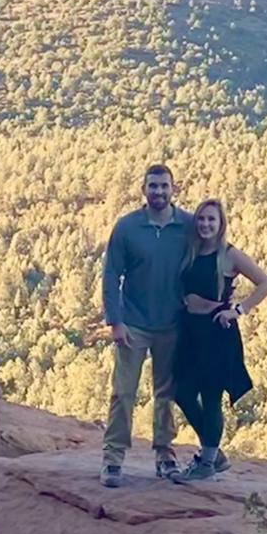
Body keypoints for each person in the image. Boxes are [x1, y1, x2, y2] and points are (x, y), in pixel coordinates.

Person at [100, 164, 194, 487]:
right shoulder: (127, 228)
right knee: (123, 392)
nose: (159, 191)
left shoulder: (189, 225)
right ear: (143, 189)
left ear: (174, 188)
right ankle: (113, 459)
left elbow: (211, 257)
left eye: (164, 186)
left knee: (166, 393)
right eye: (153, 186)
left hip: (173, 324)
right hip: (134, 324)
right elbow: (112, 274)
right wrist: (115, 321)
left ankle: (164, 455)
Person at [171, 198, 267, 481]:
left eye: (211, 220)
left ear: (221, 224)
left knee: (211, 396)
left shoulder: (229, 255)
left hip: (216, 331)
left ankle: (206, 463)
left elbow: (266, 284)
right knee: (181, 392)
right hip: (189, 330)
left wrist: (238, 310)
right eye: (202, 219)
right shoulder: (190, 251)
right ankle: (214, 454)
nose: (206, 224)